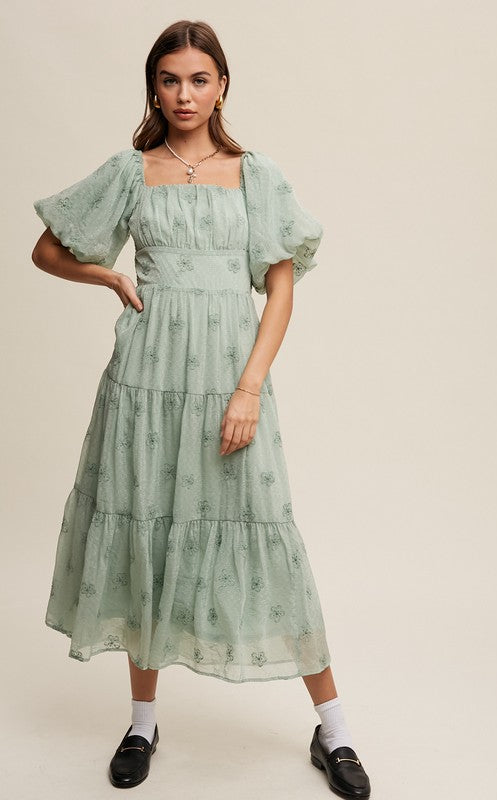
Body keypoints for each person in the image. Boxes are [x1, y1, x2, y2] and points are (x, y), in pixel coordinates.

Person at [31, 18, 371, 799]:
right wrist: (111, 279)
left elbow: (280, 287)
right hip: (144, 385)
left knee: (265, 537)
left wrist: (247, 388)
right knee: (145, 534)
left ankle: (336, 732)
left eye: (199, 79)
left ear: (223, 86)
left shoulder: (257, 176)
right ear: (153, 87)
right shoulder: (131, 169)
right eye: (169, 80)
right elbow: (49, 250)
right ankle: (143, 724)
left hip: (227, 382)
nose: (183, 95)